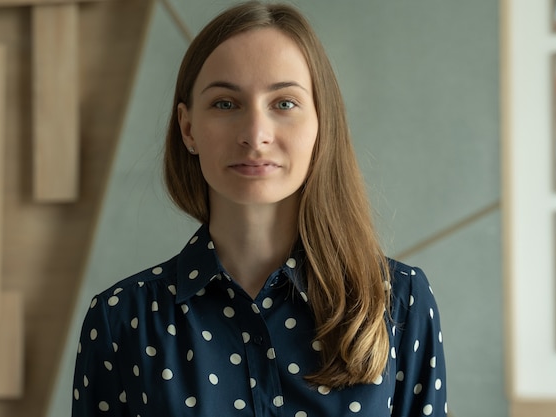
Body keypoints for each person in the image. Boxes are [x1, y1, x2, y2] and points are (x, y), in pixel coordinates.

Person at [72, 1, 447, 416]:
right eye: (225, 104)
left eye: (284, 103)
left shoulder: (399, 301)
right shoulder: (122, 320)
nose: (255, 134)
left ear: (322, 124)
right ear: (188, 128)